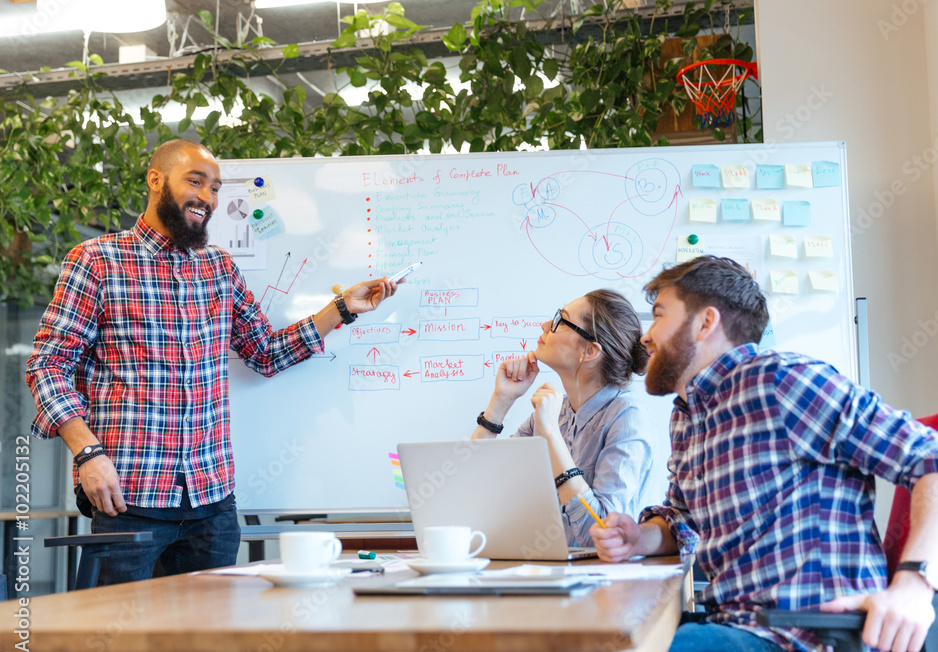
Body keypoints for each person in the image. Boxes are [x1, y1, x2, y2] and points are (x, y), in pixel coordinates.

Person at [25, 139, 400, 585]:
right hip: (129, 499)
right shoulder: (97, 261)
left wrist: (341, 309)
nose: (208, 197)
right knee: (122, 645)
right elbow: (47, 364)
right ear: (156, 180)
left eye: (216, 187)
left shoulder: (219, 268)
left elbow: (265, 353)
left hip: (212, 503)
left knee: (210, 647)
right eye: (196, 181)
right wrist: (88, 453)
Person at [590, 255, 938, 652]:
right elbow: (681, 517)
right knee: (607, 649)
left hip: (805, 642)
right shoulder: (688, 414)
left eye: (658, 316)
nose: (646, 337)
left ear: (705, 323)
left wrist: (916, 585)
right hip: (735, 627)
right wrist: (641, 538)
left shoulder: (782, 381)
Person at [472, 289, 664, 547]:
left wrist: (551, 434)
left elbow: (603, 534)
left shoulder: (627, 418)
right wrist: (501, 400)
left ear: (590, 351)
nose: (544, 326)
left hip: (604, 581)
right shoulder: (554, 413)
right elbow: (477, 481)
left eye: (559, 320)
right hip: (548, 573)